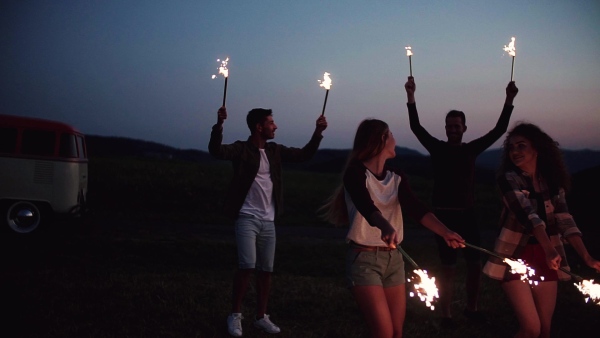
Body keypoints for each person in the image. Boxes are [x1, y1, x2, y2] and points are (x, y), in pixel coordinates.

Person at [320, 118, 465, 338]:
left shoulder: (396, 177)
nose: (395, 141)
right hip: (365, 261)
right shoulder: (355, 173)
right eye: (392, 136)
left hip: (394, 261)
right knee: (384, 333)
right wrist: (384, 225)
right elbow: (365, 204)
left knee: (397, 332)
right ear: (381, 139)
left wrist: (445, 232)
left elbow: (416, 208)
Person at [403, 76, 519, 326]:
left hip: (468, 214)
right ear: (445, 128)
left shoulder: (470, 149)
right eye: (449, 126)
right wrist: (411, 96)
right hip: (443, 216)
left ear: (464, 128)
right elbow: (416, 128)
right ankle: (446, 314)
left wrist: (509, 99)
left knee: (475, 264)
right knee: (448, 267)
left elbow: (499, 131)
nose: (453, 130)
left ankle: (472, 308)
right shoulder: (437, 148)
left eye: (457, 126)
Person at [209, 106, 328, 337]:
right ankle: (235, 316)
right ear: (259, 127)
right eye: (271, 122)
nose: (275, 126)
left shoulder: (275, 150)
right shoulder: (242, 149)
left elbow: (304, 155)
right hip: (247, 218)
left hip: (269, 221)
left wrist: (317, 132)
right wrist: (219, 126)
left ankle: (261, 317)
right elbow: (216, 151)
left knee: (266, 271)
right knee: (247, 267)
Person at [483, 122, 600, 338]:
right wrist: (549, 249)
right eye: (511, 147)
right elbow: (528, 215)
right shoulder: (508, 179)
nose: (515, 151)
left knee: (545, 330)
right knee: (531, 329)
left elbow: (565, 220)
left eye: (521, 146)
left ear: (536, 148)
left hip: (546, 257)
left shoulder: (553, 183)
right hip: (515, 257)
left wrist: (587, 257)